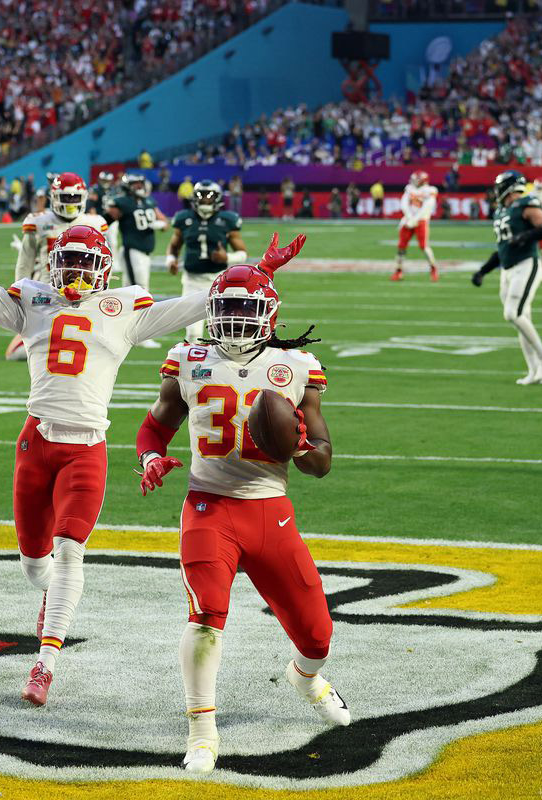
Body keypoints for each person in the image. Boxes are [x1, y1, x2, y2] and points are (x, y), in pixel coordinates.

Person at [0, 192, 212, 706]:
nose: (75, 271)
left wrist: (255, 272)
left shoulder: (123, 309)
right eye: (68, 261)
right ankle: (47, 598)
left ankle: (45, 663)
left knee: (70, 552)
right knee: (35, 565)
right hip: (36, 445)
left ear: (102, 268)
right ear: (53, 262)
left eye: (85, 262)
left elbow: (194, 303)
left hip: (87, 451)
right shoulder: (31, 302)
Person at [135, 235, 349, 774]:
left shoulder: (296, 365)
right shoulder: (188, 359)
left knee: (318, 636)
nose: (233, 321)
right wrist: (150, 460)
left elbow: (322, 462)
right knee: (206, 617)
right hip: (209, 507)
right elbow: (154, 428)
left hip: (271, 511)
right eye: (225, 309)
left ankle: (305, 678)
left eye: (245, 310)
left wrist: (296, 443)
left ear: (269, 313)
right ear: (210, 311)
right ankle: (202, 731)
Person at [5, 172, 109, 361]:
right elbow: (25, 261)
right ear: (54, 197)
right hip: (48, 290)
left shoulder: (95, 222)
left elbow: (105, 264)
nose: (70, 201)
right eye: (66, 197)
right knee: (17, 353)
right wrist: (20, 292)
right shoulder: (39, 221)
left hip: (87, 292)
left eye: (75, 197)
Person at [470, 170, 542, 385]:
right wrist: (484, 270)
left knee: (512, 313)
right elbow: (502, 248)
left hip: (526, 264)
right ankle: (533, 369)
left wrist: (526, 236)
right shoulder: (502, 211)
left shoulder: (524, 204)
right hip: (507, 269)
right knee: (521, 319)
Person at [167, 181, 248, 342]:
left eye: (209, 196)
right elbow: (174, 245)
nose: (204, 200)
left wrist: (226, 258)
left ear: (217, 199)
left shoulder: (227, 220)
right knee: (192, 333)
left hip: (219, 281)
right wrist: (171, 260)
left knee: (222, 330)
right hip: (192, 281)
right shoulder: (184, 218)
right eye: (201, 196)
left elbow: (242, 253)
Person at [106, 174, 168, 348]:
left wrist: (161, 224)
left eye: (141, 183)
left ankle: (122, 329)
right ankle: (141, 334)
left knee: (129, 292)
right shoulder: (123, 202)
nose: (139, 186)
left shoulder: (148, 201)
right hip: (132, 250)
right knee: (139, 290)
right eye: (135, 184)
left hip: (145, 252)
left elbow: (164, 221)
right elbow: (106, 219)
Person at [391, 171, 439, 282]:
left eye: (416, 179)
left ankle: (433, 268)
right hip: (408, 220)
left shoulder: (430, 190)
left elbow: (427, 207)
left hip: (421, 220)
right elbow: (404, 203)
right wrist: (409, 217)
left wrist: (415, 219)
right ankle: (398, 271)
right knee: (401, 246)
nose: (413, 181)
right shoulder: (409, 188)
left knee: (424, 246)